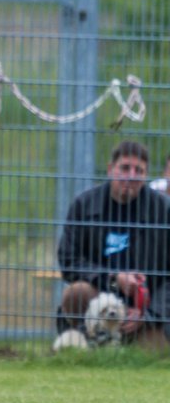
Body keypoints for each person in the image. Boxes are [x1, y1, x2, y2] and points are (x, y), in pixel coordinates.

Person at [56, 140, 170, 345]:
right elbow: (68, 260)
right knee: (75, 293)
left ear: (145, 175)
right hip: (100, 301)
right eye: (125, 168)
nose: (131, 176)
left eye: (139, 170)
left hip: (146, 307)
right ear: (110, 169)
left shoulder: (162, 210)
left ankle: (132, 340)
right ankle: (87, 337)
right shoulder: (84, 205)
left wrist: (148, 315)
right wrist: (114, 278)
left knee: (152, 357)